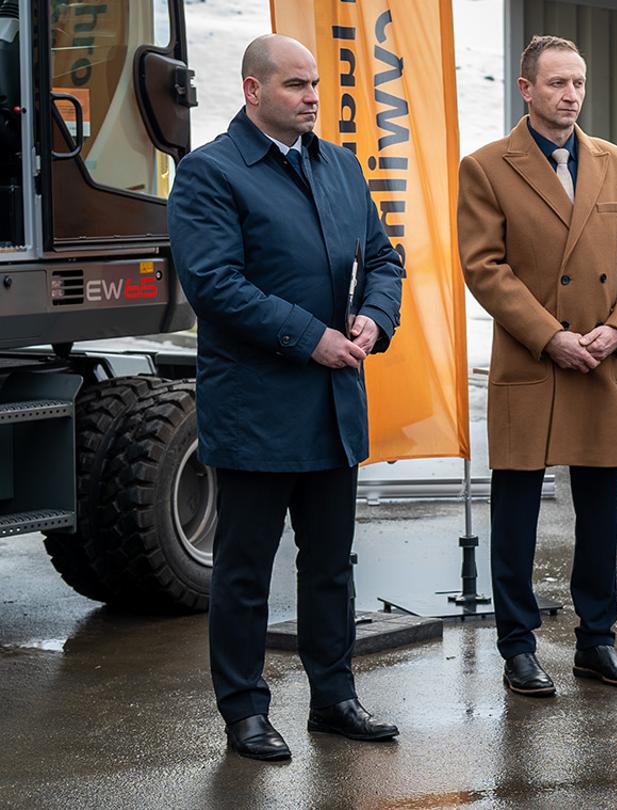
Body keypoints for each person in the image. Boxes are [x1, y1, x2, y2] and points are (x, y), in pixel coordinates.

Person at [167, 34, 405, 761]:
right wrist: (312, 338)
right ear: (252, 90)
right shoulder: (211, 174)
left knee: (331, 566)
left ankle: (334, 697)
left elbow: (386, 259)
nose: (311, 97)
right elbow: (215, 285)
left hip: (333, 408)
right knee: (245, 572)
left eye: (316, 87)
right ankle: (244, 711)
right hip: (258, 409)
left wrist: (374, 318)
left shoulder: (339, 166)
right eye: (296, 85)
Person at [459, 35, 617, 697]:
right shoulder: (487, 167)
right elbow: (484, 268)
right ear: (526, 89)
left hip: (601, 359)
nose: (570, 95)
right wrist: (550, 336)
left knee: (601, 515)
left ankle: (597, 641)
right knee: (516, 515)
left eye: (577, 82)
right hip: (534, 359)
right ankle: (518, 647)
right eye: (556, 84)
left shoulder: (616, 163)